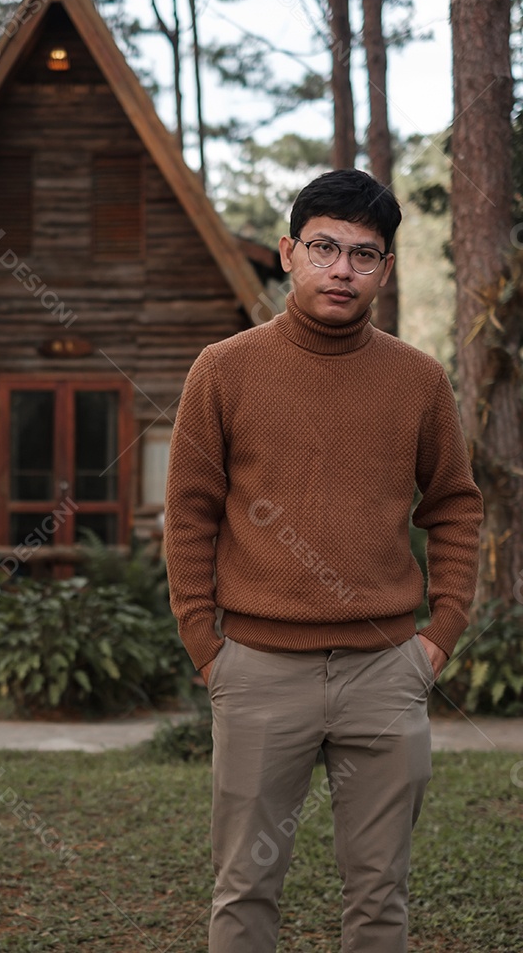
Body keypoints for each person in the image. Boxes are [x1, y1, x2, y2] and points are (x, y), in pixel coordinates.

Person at [163, 169, 484, 953]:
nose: (342, 269)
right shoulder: (224, 370)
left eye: (364, 255)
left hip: (387, 672)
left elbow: (453, 505)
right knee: (245, 888)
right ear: (288, 253)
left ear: (386, 269)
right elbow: (189, 513)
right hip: (257, 670)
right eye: (324, 248)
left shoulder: (419, 381)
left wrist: (439, 633)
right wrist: (207, 647)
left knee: (381, 895)